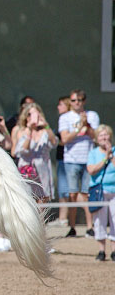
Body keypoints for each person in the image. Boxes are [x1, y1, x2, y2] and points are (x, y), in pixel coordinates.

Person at [59, 89, 99, 238]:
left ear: (84, 101)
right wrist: (78, 128)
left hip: (88, 159)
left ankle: (90, 227)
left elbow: (95, 137)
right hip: (71, 160)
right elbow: (64, 139)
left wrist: (86, 124)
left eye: (80, 100)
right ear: (70, 101)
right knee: (72, 194)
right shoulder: (65, 118)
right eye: (74, 100)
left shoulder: (92, 115)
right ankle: (72, 227)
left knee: (87, 194)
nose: (77, 103)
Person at [11, 102, 57, 201]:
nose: (33, 117)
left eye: (36, 114)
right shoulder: (22, 131)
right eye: (30, 114)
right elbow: (24, 149)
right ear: (26, 117)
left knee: (44, 198)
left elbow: (54, 143)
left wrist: (46, 126)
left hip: (43, 169)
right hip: (27, 169)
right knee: (28, 198)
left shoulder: (45, 131)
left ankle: (41, 217)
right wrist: (30, 130)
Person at [87, 125, 115, 262]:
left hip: (114, 191)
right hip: (99, 191)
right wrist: (105, 159)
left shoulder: (114, 152)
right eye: (101, 136)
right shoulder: (93, 153)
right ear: (97, 139)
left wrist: (111, 154)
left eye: (106, 135)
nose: (104, 138)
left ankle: (114, 251)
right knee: (100, 221)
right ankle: (101, 250)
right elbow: (91, 170)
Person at [55, 96, 72, 230]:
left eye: (61, 105)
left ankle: (64, 219)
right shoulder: (63, 120)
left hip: (69, 159)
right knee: (63, 191)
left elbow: (62, 141)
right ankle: (63, 218)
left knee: (68, 191)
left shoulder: (68, 120)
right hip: (62, 158)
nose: (58, 107)